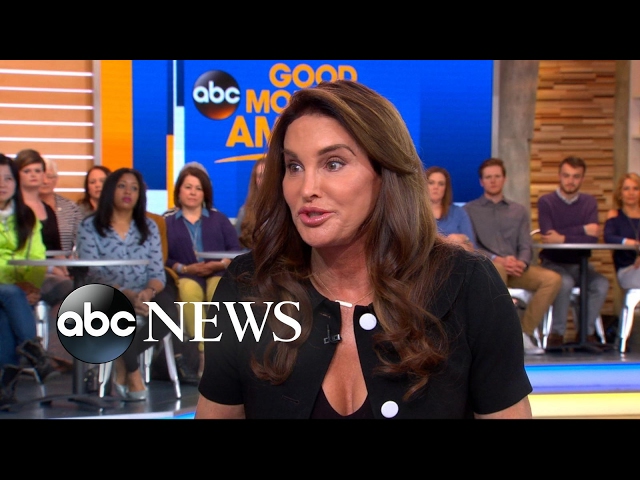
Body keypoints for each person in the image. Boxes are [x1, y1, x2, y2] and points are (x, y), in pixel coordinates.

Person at [195, 79, 533, 419]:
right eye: (294, 167)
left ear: (385, 172)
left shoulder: (469, 284)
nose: (307, 188)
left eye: (333, 163)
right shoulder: (247, 286)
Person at [75, 167, 183, 401]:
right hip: (106, 293)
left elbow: (157, 271)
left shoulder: (149, 227)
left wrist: (147, 292)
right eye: (122, 186)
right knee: (117, 312)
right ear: (110, 190)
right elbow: (92, 272)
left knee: (169, 314)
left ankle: (123, 363)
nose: (128, 192)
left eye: (134, 188)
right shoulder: (90, 226)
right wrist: (126, 294)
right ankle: (133, 372)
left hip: (145, 291)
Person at [464, 157, 562, 355]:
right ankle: (500, 335)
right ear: (481, 181)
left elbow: (526, 244)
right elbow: (472, 246)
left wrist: (522, 262)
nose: (493, 181)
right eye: (488, 177)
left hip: (517, 267)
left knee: (552, 279)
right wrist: (496, 259)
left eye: (497, 176)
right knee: (497, 269)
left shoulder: (518, 210)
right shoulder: (469, 210)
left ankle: (523, 332)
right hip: (489, 267)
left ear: (504, 179)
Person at [165, 164, 241, 377]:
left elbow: (235, 251)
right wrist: (184, 267)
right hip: (185, 274)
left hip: (217, 272)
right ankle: (204, 354)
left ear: (205, 193)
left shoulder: (219, 220)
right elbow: (164, 257)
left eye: (198, 188)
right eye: (188, 187)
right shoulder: (168, 222)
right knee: (189, 292)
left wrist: (220, 264)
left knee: (218, 290)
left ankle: (219, 353)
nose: (193, 192)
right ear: (179, 191)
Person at [0, 154, 58, 408]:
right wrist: (16, 285)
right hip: (8, 287)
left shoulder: (26, 217)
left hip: (13, 290)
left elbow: (36, 255)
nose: (2, 184)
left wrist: (30, 285)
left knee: (6, 311)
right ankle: (35, 352)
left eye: (8, 178)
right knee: (12, 295)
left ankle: (5, 388)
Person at [538, 156, 610, 348]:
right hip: (553, 263)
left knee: (601, 284)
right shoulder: (546, 202)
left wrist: (562, 237)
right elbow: (548, 236)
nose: (570, 181)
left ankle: (585, 334)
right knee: (564, 282)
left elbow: (592, 239)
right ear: (559, 176)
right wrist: (583, 229)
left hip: (581, 265)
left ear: (582, 178)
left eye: (576, 176)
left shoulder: (589, 202)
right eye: (567, 175)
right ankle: (557, 335)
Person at [425, 166, 476, 251]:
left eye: (441, 184)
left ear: (446, 188)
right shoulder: (416, 213)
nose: (436, 187)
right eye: (431, 183)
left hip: (455, 257)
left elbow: (472, 247)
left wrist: (463, 239)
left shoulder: (458, 212)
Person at [236, 157, 265, 249]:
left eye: (268, 175)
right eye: (260, 176)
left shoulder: (287, 210)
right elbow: (238, 247)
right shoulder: (244, 212)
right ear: (255, 180)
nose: (264, 180)